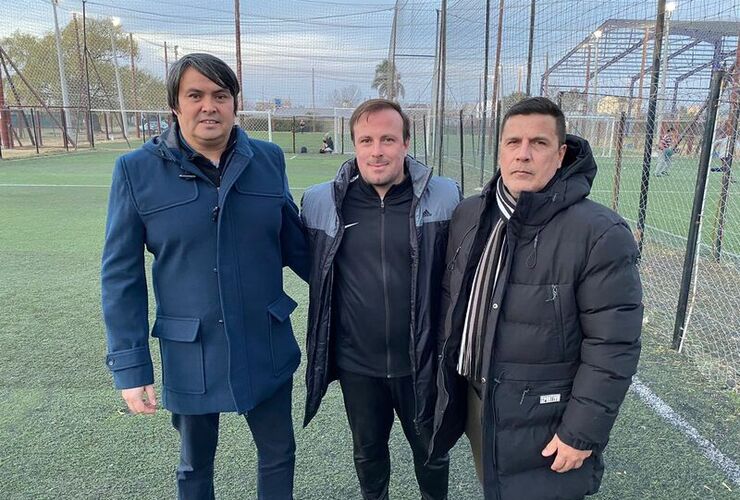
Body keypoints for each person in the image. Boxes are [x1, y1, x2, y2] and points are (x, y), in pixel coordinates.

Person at [101, 53, 309, 500]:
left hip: (266, 342)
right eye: (195, 95)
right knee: (195, 466)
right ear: (175, 106)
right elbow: (121, 276)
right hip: (189, 350)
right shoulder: (135, 171)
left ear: (235, 104)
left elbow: (298, 247)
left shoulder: (268, 160)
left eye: (220, 95)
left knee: (279, 454)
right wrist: (130, 365)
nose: (208, 106)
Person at [429, 97, 642, 500]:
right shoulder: (470, 214)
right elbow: (451, 297)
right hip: (480, 400)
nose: (523, 154)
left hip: (546, 419)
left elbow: (613, 345)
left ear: (561, 154)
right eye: (513, 142)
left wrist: (580, 432)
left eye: (538, 143)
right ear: (500, 150)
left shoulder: (599, 232)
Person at [301, 98, 460, 500]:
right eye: (366, 139)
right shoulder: (321, 201)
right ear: (353, 145)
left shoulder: (445, 196)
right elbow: (312, 266)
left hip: (420, 362)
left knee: (431, 453)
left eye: (388, 139)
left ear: (407, 142)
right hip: (358, 365)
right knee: (368, 453)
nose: (377, 151)